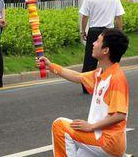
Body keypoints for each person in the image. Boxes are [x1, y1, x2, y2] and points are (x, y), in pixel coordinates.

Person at [37, 28, 129, 157]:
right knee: (80, 154)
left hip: (107, 141)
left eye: (97, 41)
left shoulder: (116, 78)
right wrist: (50, 66)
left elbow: (119, 115)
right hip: (99, 136)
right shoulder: (100, 73)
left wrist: (91, 127)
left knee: (60, 126)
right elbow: (78, 77)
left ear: (105, 50)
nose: (93, 43)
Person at [80, 0, 125, 94]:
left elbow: (85, 16)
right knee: (109, 60)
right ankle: (110, 85)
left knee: (90, 60)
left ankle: (86, 87)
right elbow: (119, 17)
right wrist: (119, 33)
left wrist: (83, 31)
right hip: (109, 33)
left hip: (94, 31)